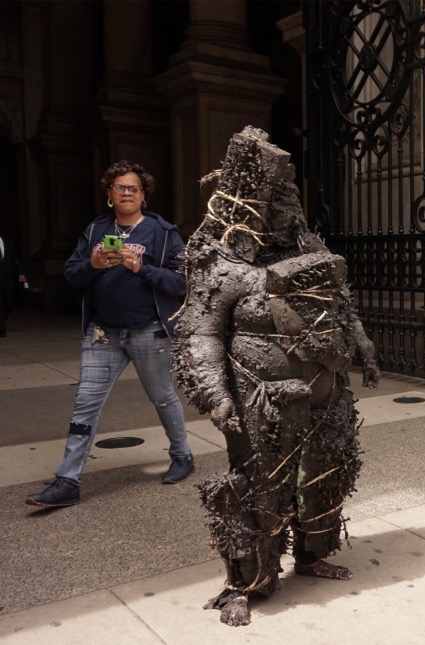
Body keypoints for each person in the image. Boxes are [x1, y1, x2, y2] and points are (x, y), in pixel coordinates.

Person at [173, 127, 378, 627]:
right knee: (256, 488)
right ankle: (245, 582)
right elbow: (200, 334)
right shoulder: (223, 263)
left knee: (326, 475)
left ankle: (312, 552)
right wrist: (216, 395)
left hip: (327, 393)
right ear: (252, 205)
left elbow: (340, 308)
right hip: (262, 401)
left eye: (291, 198)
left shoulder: (309, 255)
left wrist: (364, 347)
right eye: (276, 200)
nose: (286, 210)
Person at [26, 161, 194, 508]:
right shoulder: (94, 231)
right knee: (85, 403)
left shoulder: (162, 232)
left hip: (149, 331)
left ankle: (182, 456)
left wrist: (140, 267)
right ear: (109, 194)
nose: (127, 193)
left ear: (143, 194)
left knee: (162, 397)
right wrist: (94, 264)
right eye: (120, 187)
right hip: (103, 333)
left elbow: (181, 283)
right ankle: (68, 480)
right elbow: (72, 273)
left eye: (134, 188)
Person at [0, 230, 27, 337]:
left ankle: (3, 315)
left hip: (9, 275)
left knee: (9, 300)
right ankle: (1, 328)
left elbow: (16, 258)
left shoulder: (8, 241)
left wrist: (21, 273)